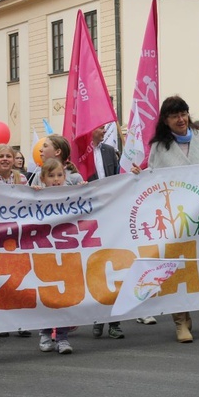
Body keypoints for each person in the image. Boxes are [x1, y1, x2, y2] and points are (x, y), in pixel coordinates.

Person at [132, 95, 199, 343]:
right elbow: (154, 178)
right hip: (173, 216)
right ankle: (180, 320)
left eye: (184, 114)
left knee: (198, 262)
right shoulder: (160, 146)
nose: (181, 119)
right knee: (176, 263)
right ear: (166, 121)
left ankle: (192, 311)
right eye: (174, 116)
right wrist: (139, 174)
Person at [85, 125, 124, 339]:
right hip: (90, 218)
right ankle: (98, 318)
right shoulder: (79, 152)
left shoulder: (110, 151)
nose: (102, 131)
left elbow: (119, 177)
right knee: (96, 269)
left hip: (111, 214)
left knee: (115, 267)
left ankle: (114, 322)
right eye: (99, 127)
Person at [37, 158, 78, 354]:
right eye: (51, 176)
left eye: (60, 175)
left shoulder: (72, 194)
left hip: (66, 252)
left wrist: (85, 190)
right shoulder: (37, 196)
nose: (56, 179)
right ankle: (45, 332)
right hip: (45, 253)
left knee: (64, 295)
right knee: (47, 293)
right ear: (43, 178)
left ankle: (62, 337)